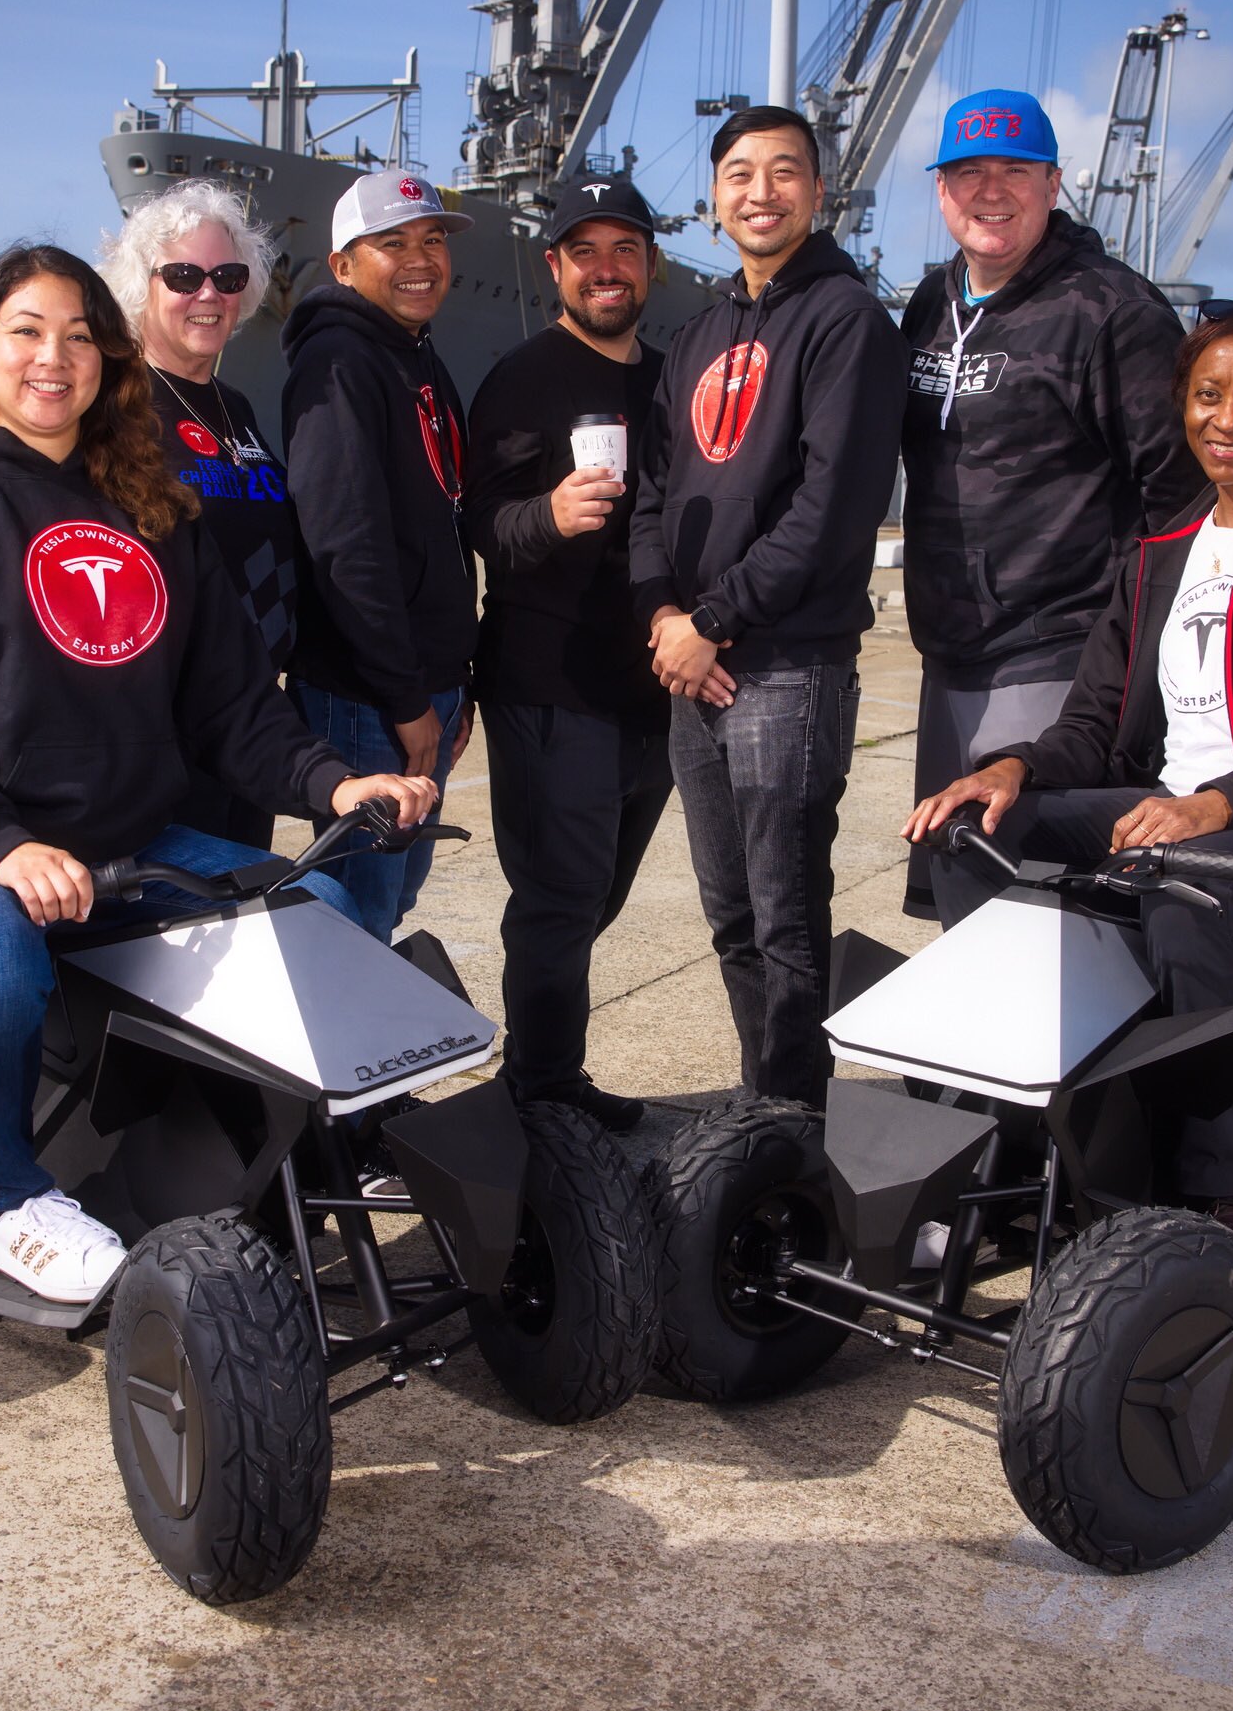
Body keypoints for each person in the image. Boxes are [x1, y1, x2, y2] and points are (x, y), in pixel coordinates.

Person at [0, 242, 435, 1303]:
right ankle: (8, 1197)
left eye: (79, 335)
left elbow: (228, 703)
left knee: (326, 906)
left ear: (107, 363)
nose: (53, 356)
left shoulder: (154, 515)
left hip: (129, 840)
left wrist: (330, 782)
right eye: (26, 330)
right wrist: (4, 845)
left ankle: (276, 1151)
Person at [906, 304, 1233, 1268]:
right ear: (1183, 406)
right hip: (1161, 815)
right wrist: (1011, 769)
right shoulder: (1156, 557)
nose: (1230, 418)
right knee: (972, 842)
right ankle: (1029, 1128)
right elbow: (1094, 724)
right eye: (1209, 395)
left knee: (1189, 892)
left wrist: (1218, 804)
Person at [629, 106, 906, 1107]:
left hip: (787, 664)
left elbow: (831, 508)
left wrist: (714, 617)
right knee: (730, 918)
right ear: (713, 199)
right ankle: (763, 1105)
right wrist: (663, 615)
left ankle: (796, 1120)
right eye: (739, 172)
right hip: (690, 665)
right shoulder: (695, 332)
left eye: (783, 171)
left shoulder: (847, 323)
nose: (760, 190)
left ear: (818, 191)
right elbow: (651, 495)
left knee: (787, 918)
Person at [898, 88, 1200, 917]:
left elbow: (1179, 505)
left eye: (1015, 170)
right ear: (941, 190)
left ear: (1054, 182)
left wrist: (1134, 670)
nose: (990, 190)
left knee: (1043, 912)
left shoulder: (1115, 313)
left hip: (1058, 652)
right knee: (965, 899)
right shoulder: (931, 302)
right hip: (951, 654)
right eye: (968, 171)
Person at [464, 178, 672, 1134]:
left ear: (650, 265)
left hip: (651, 694)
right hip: (551, 688)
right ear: (554, 266)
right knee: (557, 897)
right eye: (583, 250)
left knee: (598, 896)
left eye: (622, 249)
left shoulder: (670, 381)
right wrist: (547, 515)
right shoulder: (524, 379)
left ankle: (540, 1072)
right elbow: (486, 528)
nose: (605, 268)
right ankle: (543, 1094)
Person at [281, 169, 478, 941]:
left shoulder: (414, 354)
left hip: (419, 687)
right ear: (342, 265)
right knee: (353, 918)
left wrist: (453, 681)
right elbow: (345, 545)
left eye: (431, 239)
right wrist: (406, 699)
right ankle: (332, 1064)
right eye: (391, 243)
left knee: (387, 906)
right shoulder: (338, 365)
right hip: (369, 697)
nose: (419, 258)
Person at [101, 180, 297, 847]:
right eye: (184, 275)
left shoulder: (233, 408)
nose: (208, 293)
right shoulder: (114, 411)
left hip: (244, 728)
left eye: (227, 275)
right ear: (141, 286)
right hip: (160, 732)